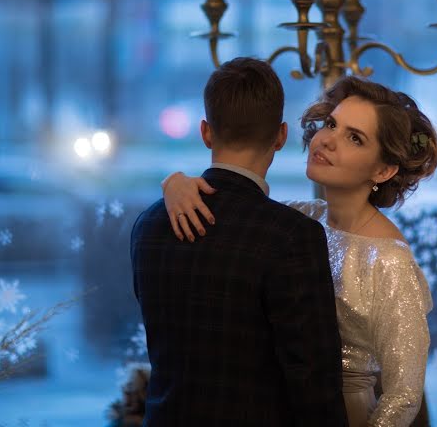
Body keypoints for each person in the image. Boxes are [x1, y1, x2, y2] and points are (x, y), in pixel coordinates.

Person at [163, 75, 437, 427]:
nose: (327, 140)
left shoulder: (389, 260)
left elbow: (404, 396)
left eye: (354, 138)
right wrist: (175, 184)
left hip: (345, 413)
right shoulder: (300, 217)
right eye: (331, 124)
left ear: (383, 170)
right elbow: (236, 211)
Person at [130, 58, 348, 426]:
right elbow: (314, 383)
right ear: (280, 136)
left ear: (206, 132)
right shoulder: (292, 235)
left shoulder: (150, 225)